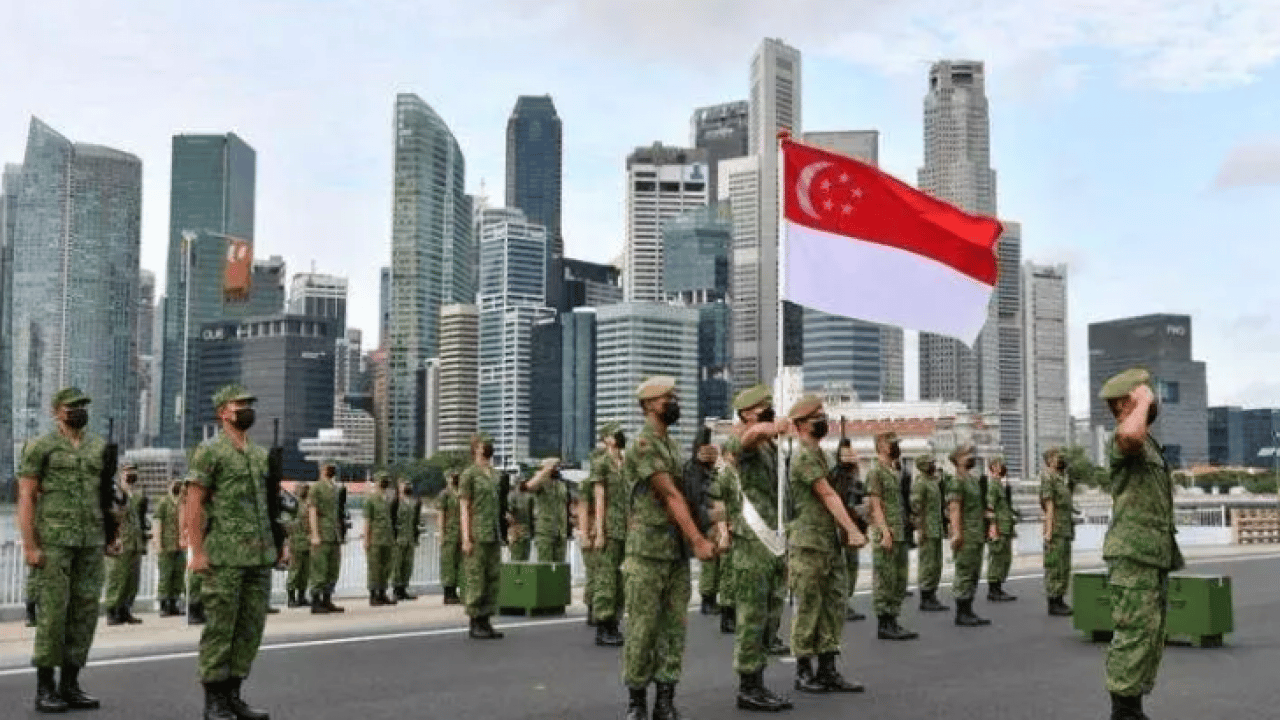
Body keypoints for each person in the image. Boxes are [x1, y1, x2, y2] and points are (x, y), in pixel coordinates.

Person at [620, 376, 718, 720]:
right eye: (667, 399)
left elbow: (690, 493)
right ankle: (637, 703)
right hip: (647, 553)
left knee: (674, 630)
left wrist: (703, 466)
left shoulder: (674, 448)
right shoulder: (642, 446)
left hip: (674, 555)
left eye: (674, 397)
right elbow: (670, 495)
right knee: (643, 630)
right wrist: (699, 540)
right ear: (648, 405)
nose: (674, 403)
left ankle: (665, 700)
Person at [185, 383, 282, 720]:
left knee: (250, 629)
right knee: (220, 629)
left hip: (258, 556)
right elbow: (194, 503)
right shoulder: (209, 452)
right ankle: (214, 700)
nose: (246, 410)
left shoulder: (258, 454)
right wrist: (196, 552)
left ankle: (234, 695)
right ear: (222, 412)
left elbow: (269, 506)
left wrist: (279, 546)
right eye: (239, 405)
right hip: (224, 557)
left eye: (249, 404)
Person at [18, 387, 113, 713]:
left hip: (91, 541)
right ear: (56, 411)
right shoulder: (41, 446)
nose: (79, 411)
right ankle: (45, 687)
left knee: (85, 613)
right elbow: (26, 498)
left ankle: (70, 683)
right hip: (55, 542)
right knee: (53, 614)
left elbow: (105, 494)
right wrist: (30, 546)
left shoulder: (98, 446)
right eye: (72, 407)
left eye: (83, 406)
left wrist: (111, 533)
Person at [1099, 368, 1183, 720]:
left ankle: (1132, 708)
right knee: (1134, 633)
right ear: (1126, 402)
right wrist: (1143, 400)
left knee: (1149, 633)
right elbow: (1129, 435)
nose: (1153, 399)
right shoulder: (1124, 439)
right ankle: (1123, 712)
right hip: (1132, 555)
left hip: (1150, 555)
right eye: (1143, 394)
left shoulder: (1148, 444)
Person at [786, 395, 867, 700]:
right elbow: (827, 495)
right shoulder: (803, 457)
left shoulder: (823, 456)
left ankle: (828, 668)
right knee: (809, 606)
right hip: (809, 543)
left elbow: (841, 493)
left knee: (833, 603)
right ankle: (804, 671)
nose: (823, 419)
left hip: (828, 543)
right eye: (816, 416)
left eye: (823, 414)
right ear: (801, 425)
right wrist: (851, 530)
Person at [730, 383, 792, 680]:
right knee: (753, 614)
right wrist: (769, 427)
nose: (768, 409)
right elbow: (749, 438)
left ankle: (759, 676)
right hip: (753, 539)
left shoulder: (771, 446)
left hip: (773, 537)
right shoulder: (742, 438)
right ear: (746, 413)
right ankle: (749, 683)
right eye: (762, 406)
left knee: (771, 611)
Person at [866, 431, 918, 640]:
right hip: (887, 533)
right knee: (885, 579)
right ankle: (884, 624)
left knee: (899, 579)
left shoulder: (893, 471)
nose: (896, 447)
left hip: (900, 532)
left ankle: (893, 620)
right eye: (892, 444)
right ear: (881, 445)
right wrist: (884, 531)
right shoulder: (876, 472)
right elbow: (875, 504)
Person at [459, 433, 505, 640]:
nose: (488, 447)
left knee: (492, 578)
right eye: (485, 444)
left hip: (493, 532)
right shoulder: (469, 474)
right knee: (476, 578)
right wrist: (466, 537)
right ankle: (475, 620)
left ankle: (486, 619)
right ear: (476, 447)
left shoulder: (495, 475)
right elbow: (464, 507)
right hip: (477, 533)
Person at [590, 422, 627, 647]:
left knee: (621, 579)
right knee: (606, 578)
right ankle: (603, 624)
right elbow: (599, 498)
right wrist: (600, 531)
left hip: (626, 529)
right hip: (610, 528)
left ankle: (615, 621)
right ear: (606, 439)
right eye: (614, 434)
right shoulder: (601, 463)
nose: (619, 437)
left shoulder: (625, 463)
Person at [947, 443, 991, 627]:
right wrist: (956, 533)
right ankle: (961, 612)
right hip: (966, 534)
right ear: (957, 459)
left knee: (974, 572)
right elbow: (954, 509)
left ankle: (969, 609)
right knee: (964, 572)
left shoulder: (972, 480)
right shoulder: (957, 481)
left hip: (977, 533)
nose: (972, 457)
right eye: (967, 454)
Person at [829, 441, 868, 622]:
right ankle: (840, 603)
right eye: (846, 454)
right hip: (840, 526)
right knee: (842, 567)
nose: (851, 457)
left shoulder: (853, 477)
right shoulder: (836, 476)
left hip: (853, 525)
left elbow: (858, 498)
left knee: (852, 566)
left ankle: (845, 601)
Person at [708, 441, 742, 635]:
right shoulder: (723, 475)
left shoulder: (739, 474)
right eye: (734, 454)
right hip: (729, 529)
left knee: (737, 573)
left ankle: (735, 613)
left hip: (741, 529)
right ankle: (727, 616)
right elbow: (719, 505)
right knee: (728, 573)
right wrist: (722, 533)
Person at [105, 463, 145, 625]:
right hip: (120, 541)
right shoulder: (115, 493)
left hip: (134, 542)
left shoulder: (136, 495)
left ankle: (125, 610)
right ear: (121, 474)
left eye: (134, 473)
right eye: (128, 473)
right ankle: (112, 611)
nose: (131, 477)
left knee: (132, 579)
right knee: (117, 578)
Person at [910, 455, 950, 612]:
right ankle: (926, 597)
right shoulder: (920, 484)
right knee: (927, 564)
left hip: (936, 528)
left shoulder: (932, 482)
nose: (934, 465)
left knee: (936, 564)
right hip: (927, 529)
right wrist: (920, 529)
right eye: (931, 463)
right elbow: (916, 507)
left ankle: (932, 595)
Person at [1041, 447, 1076, 616]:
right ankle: (1053, 601)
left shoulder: (1062, 479)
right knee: (1055, 565)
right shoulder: (1048, 479)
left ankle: (1060, 599)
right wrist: (1048, 533)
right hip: (1056, 529)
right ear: (1049, 460)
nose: (1060, 459)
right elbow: (1049, 507)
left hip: (1065, 528)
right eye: (1056, 457)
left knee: (1064, 566)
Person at [307, 460, 345, 614]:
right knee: (319, 568)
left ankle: (327, 599)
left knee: (332, 568)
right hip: (322, 533)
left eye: (334, 467)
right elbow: (312, 512)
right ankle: (316, 602)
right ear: (322, 469)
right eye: (330, 467)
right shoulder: (316, 488)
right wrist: (315, 534)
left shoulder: (336, 489)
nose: (332, 470)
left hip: (334, 533)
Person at [523, 457, 569, 564]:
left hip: (561, 531)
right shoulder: (541, 483)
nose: (556, 469)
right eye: (554, 466)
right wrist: (546, 469)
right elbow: (528, 486)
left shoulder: (561, 484)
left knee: (559, 567)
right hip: (545, 532)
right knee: (545, 566)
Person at [985, 456, 1018, 602]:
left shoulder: (1000, 485)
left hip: (1005, 526)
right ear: (992, 468)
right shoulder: (993, 485)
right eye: (998, 465)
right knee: (997, 558)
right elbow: (990, 507)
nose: (1002, 467)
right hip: (998, 526)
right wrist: (993, 527)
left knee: (1005, 558)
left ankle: (998, 587)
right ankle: (993, 590)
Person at [364, 472, 398, 606]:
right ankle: (373, 595)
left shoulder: (388, 499)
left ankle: (382, 593)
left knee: (386, 568)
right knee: (374, 568)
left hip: (387, 538)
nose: (385, 483)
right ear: (377, 481)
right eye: (382, 480)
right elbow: (368, 520)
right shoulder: (371, 499)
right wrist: (366, 540)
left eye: (386, 480)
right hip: (375, 539)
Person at [155, 479, 187, 617]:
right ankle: (164, 605)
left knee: (178, 576)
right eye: (175, 484)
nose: (177, 487)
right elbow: (158, 522)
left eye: (180, 485)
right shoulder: (163, 502)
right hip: (166, 545)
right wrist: (158, 543)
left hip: (180, 545)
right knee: (165, 576)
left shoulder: (183, 502)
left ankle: (174, 603)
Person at [181, 481, 207, 626]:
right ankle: (193, 609)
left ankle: (198, 608)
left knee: (201, 576)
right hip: (195, 541)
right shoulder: (189, 504)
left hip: (202, 540)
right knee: (195, 575)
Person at [393, 480, 422, 601]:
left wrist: (416, 536)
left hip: (409, 538)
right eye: (405, 485)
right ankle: (396, 590)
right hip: (399, 538)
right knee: (397, 565)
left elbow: (416, 521)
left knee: (408, 565)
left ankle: (403, 588)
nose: (408, 487)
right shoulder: (396, 502)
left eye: (409, 485)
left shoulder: (414, 503)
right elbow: (392, 519)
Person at [438, 470, 463, 604]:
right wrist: (441, 533)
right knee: (448, 563)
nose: (455, 479)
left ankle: (455, 591)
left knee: (459, 563)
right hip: (449, 533)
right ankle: (448, 593)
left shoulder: (461, 493)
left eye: (456, 477)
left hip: (460, 533)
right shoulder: (445, 494)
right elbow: (441, 514)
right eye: (453, 477)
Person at [286, 484, 311, 608]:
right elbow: (288, 524)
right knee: (294, 571)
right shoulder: (294, 505)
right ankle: (291, 598)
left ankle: (301, 597)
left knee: (305, 572)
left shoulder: (308, 505)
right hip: (296, 542)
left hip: (307, 542)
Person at [506, 481, 534, 562]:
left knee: (523, 558)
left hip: (524, 530)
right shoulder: (513, 495)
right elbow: (510, 515)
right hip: (517, 531)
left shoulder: (529, 495)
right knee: (517, 559)